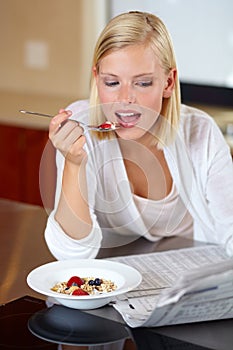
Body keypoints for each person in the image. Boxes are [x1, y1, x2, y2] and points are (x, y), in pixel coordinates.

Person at [44, 11, 233, 260]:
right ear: (97, 79)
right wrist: (73, 163)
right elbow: (70, 252)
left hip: (195, 267)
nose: (125, 99)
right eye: (112, 83)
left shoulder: (200, 132)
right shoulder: (80, 129)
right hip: (117, 271)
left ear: (168, 82)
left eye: (142, 83)